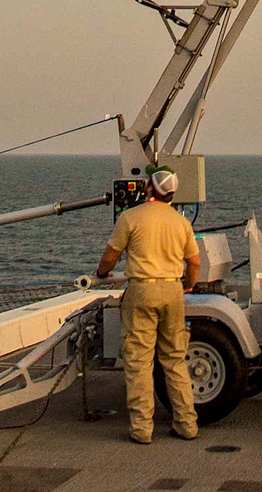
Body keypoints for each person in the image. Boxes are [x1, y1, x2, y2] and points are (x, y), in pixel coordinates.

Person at [96, 167, 201, 445]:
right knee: (175, 360)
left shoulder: (131, 217)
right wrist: (188, 284)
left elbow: (111, 256)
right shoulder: (181, 223)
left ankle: (142, 429)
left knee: (140, 362)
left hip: (142, 290)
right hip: (172, 290)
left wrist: (103, 273)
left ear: (149, 188)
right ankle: (187, 424)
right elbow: (195, 262)